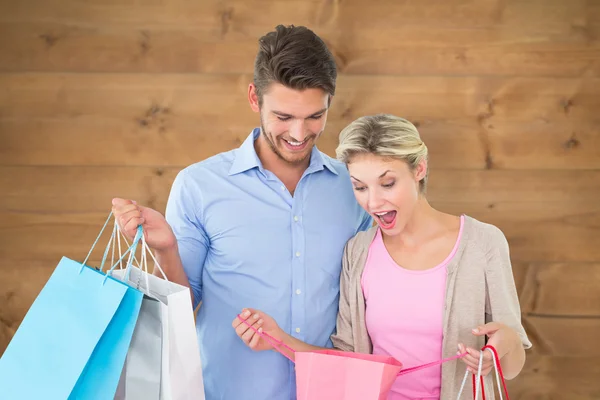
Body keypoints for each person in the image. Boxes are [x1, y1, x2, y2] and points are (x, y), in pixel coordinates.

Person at [112, 24, 372, 400]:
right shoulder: (199, 186)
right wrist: (166, 249)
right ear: (255, 97)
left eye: (315, 116)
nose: (299, 133)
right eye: (283, 116)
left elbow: (372, 299)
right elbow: (181, 312)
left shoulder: (353, 189)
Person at [232, 114, 532, 400]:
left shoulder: (482, 243)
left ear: (419, 169)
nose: (373, 202)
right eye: (360, 187)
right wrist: (277, 338)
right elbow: (347, 360)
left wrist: (499, 349)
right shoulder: (359, 252)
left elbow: (514, 362)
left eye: (387, 183)